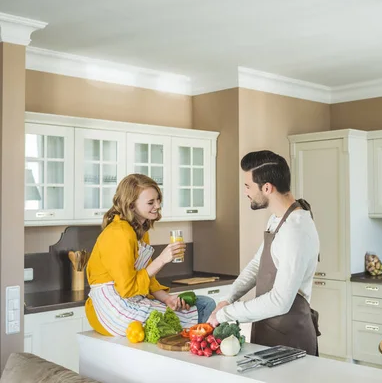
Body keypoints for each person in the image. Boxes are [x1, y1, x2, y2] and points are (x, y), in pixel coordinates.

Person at [207, 150, 320, 355]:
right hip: (269, 331)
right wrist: (228, 298)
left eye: (248, 186)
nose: (245, 192)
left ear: (267, 188)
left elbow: (279, 301)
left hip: (291, 340)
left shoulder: (296, 230)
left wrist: (225, 314)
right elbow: (257, 264)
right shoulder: (278, 219)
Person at [85, 174, 216, 336]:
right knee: (203, 306)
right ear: (131, 205)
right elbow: (126, 288)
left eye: (158, 200)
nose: (158, 205)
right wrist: (162, 259)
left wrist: (166, 298)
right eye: (150, 202)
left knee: (204, 303)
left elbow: (147, 278)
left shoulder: (139, 231)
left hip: (131, 299)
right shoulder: (119, 234)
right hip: (114, 307)